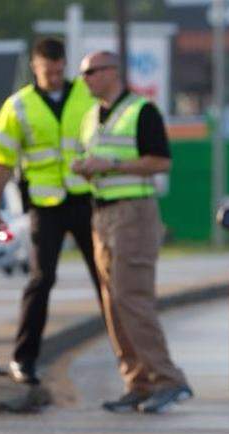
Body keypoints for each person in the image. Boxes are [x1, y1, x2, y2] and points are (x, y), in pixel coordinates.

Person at [72, 51, 192, 414]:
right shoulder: (92, 117)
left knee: (132, 296)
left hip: (134, 213)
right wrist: (88, 168)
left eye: (92, 72)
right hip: (102, 213)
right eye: (83, 73)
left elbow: (161, 161)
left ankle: (168, 379)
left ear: (112, 72)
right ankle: (137, 381)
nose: (86, 79)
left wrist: (110, 165)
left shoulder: (142, 111)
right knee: (112, 300)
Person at [0, 37, 101, 386]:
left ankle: (129, 359)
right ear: (35, 67)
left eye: (60, 71)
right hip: (46, 207)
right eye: (48, 72)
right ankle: (24, 359)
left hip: (85, 200)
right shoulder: (18, 106)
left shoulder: (86, 96)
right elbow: (1, 162)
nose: (54, 77)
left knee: (106, 280)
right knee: (41, 280)